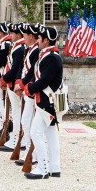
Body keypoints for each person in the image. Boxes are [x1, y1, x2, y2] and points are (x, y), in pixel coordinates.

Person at [24, 26, 63, 179]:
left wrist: (30, 88)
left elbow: (44, 80)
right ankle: (54, 167)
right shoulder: (49, 55)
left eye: (39, 38)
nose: (37, 40)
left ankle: (43, 168)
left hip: (47, 101)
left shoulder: (52, 57)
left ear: (46, 40)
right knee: (51, 134)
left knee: (35, 132)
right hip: (49, 100)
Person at [14, 23, 41, 166]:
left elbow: (33, 73)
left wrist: (24, 84)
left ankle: (34, 154)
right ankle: (30, 152)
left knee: (29, 122)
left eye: (25, 34)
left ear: (31, 36)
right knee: (26, 121)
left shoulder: (36, 51)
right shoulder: (29, 49)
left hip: (31, 90)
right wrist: (19, 82)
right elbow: (23, 68)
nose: (23, 36)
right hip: (27, 89)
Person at [0, 23, 25, 152]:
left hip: (15, 84)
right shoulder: (17, 47)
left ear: (18, 34)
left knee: (16, 112)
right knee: (16, 112)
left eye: (13, 33)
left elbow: (15, 69)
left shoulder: (20, 48)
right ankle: (17, 138)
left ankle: (16, 138)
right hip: (12, 83)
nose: (10, 35)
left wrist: (4, 79)